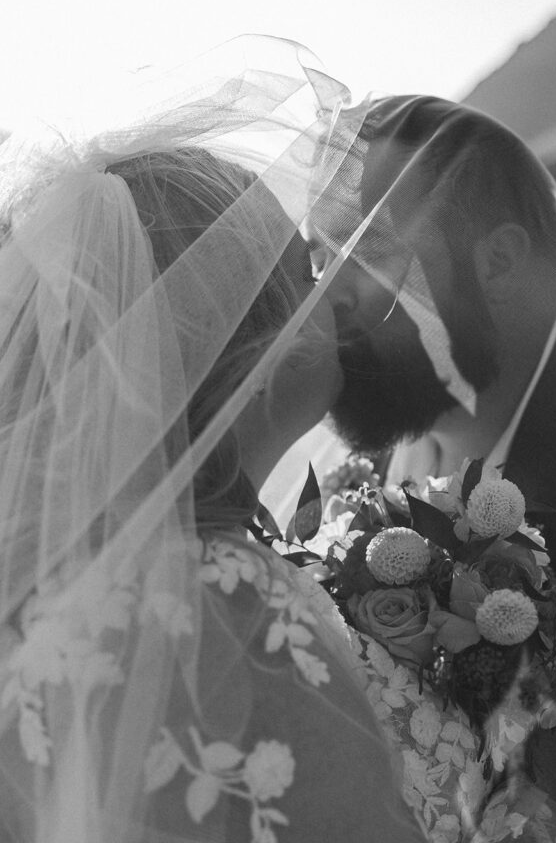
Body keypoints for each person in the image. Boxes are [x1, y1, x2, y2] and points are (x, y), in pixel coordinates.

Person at [0, 42, 428, 843]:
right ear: (241, 352)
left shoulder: (48, 580)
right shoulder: (229, 604)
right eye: (301, 273)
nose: (332, 291)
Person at [309, 94, 556, 843]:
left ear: (499, 260)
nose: (328, 292)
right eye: (320, 254)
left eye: (367, 252)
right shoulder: (388, 437)